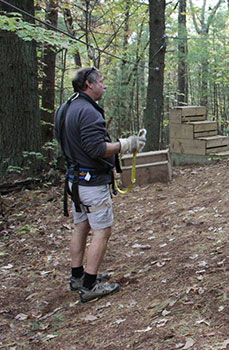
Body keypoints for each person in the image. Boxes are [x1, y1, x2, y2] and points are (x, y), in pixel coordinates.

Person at [54, 67, 145, 303]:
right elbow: (96, 148)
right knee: (102, 230)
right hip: (91, 183)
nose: (104, 85)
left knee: (81, 226)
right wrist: (127, 144)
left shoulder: (66, 107)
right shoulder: (88, 112)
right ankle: (90, 284)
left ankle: (77, 277)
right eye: (101, 81)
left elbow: (64, 139)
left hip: (75, 181)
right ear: (88, 84)